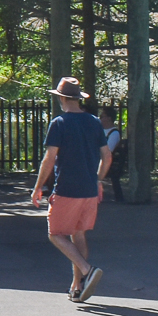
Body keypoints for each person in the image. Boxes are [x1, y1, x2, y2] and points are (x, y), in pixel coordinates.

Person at [31, 76, 113, 301]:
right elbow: (107, 156)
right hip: (89, 190)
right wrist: (98, 179)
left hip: (67, 189)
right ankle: (77, 286)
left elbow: (49, 158)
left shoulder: (59, 123)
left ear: (61, 98)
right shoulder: (94, 122)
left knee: (55, 234)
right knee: (78, 234)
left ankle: (87, 270)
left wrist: (38, 187)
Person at [103, 110, 125, 203]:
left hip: (107, 162)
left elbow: (108, 150)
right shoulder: (99, 131)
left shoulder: (114, 133)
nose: (100, 119)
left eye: (102, 116)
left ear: (109, 118)